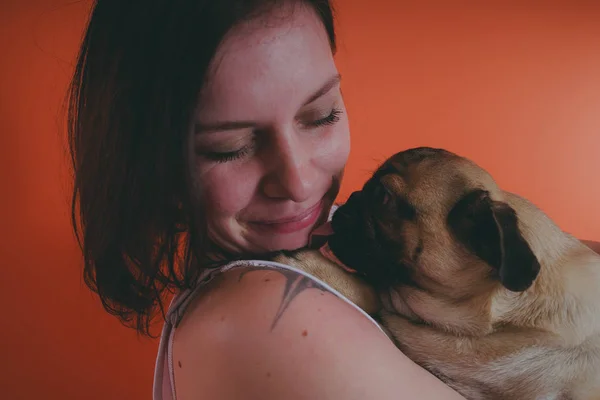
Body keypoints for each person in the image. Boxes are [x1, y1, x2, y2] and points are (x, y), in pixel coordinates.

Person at [67, 1, 600, 399]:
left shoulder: (313, 262)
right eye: (230, 148)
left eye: (320, 114)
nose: (299, 184)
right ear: (153, 165)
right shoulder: (263, 321)